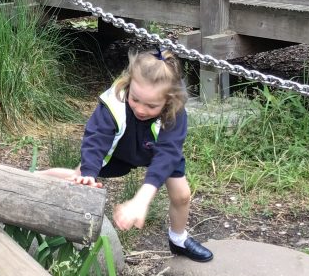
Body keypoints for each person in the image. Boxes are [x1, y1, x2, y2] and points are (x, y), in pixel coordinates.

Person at [42, 49, 213, 262]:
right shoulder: (114, 103)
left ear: (168, 101)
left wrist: (141, 199)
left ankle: (178, 239)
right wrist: (88, 172)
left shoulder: (174, 113)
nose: (141, 109)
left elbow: (168, 154)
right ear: (129, 85)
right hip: (119, 149)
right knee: (77, 176)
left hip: (157, 151)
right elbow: (96, 139)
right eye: (136, 99)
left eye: (151, 105)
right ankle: (35, 178)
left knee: (182, 195)